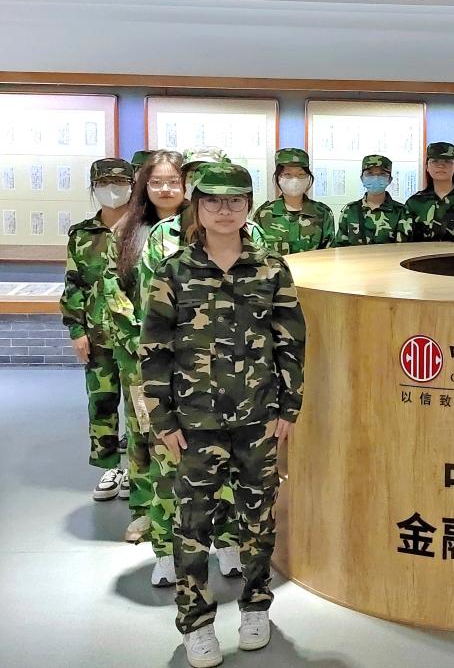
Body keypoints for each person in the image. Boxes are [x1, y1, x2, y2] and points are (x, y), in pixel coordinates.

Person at [140, 162, 305, 667]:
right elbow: (155, 349)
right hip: (194, 423)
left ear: (248, 206)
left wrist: (289, 406)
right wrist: (162, 420)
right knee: (192, 526)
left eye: (235, 201)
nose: (224, 210)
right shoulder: (174, 271)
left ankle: (256, 607)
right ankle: (195, 623)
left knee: (258, 520)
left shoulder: (272, 269)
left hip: (258, 418)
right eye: (213, 200)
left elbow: (291, 342)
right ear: (197, 207)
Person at [102, 150, 188, 544]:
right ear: (144, 186)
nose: (165, 189)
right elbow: (112, 288)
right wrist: (140, 338)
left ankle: (191, 512)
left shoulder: (197, 227)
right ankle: (145, 510)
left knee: (187, 433)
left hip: (189, 351)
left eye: (173, 181)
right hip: (138, 350)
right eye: (156, 182)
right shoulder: (127, 230)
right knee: (142, 428)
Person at [60, 157, 136, 502]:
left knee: (139, 404)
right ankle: (110, 467)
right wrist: (76, 330)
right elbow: (73, 284)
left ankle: (137, 468)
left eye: (120, 183)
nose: (112, 189)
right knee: (102, 402)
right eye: (104, 183)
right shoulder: (82, 235)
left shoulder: (143, 230)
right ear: (94, 188)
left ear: (132, 186)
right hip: (97, 334)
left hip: (135, 336)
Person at [253, 148, 336, 254]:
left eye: (301, 174)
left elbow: (329, 255)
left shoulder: (323, 213)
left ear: (308, 177)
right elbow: (257, 255)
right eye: (287, 174)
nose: (295, 180)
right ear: (278, 177)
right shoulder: (263, 215)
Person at [335, 155, 412, 245]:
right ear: (362, 178)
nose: (376, 178)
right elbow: (340, 246)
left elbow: (404, 248)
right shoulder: (350, 211)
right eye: (370, 174)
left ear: (390, 180)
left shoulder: (401, 212)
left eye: (382, 174)